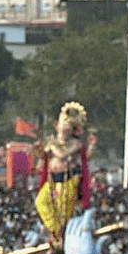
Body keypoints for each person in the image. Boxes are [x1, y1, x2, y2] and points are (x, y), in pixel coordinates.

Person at [34, 101, 94, 242]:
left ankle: (64, 236)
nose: (66, 129)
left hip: (68, 181)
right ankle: (56, 233)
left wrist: (53, 145)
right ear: (56, 125)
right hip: (52, 180)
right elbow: (43, 158)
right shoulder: (52, 143)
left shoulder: (75, 144)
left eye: (69, 127)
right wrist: (39, 150)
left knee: (64, 214)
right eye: (64, 125)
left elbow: (62, 154)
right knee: (40, 202)